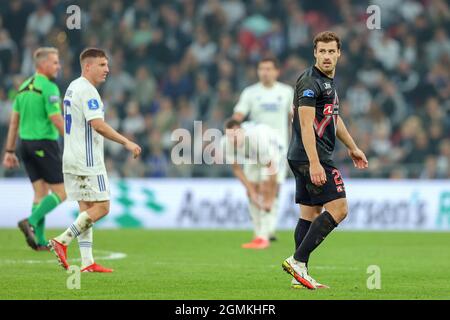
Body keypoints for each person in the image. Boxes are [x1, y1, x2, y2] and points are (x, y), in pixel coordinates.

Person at [282, 31, 369, 289]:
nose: (327, 56)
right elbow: (306, 125)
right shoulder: (310, 82)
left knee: (310, 214)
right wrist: (316, 163)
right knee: (340, 209)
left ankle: (300, 275)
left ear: (339, 53)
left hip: (301, 156)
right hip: (312, 157)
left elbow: (334, 117)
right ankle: (297, 261)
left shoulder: (327, 82)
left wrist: (353, 147)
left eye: (332, 51)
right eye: (323, 51)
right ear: (315, 53)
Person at [48, 48, 142, 272]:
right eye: (102, 65)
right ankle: (62, 240)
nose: (107, 69)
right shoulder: (88, 91)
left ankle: (87, 262)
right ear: (87, 66)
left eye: (107, 65)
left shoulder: (72, 87)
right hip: (87, 160)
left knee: (86, 208)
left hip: (71, 157)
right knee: (102, 207)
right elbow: (98, 125)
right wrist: (126, 142)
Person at [2, 47, 66, 251]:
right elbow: (56, 119)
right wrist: (74, 140)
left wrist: (9, 151)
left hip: (24, 145)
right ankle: (30, 221)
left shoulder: (23, 87)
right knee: (62, 192)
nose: (58, 66)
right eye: (55, 62)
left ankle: (39, 240)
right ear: (43, 64)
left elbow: (14, 123)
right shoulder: (49, 88)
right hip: (44, 144)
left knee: (40, 192)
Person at [232, 57, 294, 244]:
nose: (264, 72)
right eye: (261, 68)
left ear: (277, 71)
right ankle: (260, 230)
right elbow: (239, 114)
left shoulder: (286, 91)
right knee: (254, 186)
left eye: (268, 69)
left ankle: (268, 228)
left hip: (278, 146)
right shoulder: (250, 93)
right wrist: (234, 127)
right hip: (254, 147)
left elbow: (294, 116)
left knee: (273, 186)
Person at [221, 119, 283, 249]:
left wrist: (270, 198)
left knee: (266, 189)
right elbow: (236, 169)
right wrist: (252, 191)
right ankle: (258, 235)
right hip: (253, 158)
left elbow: (271, 166)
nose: (234, 140)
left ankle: (264, 237)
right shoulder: (225, 143)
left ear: (242, 132)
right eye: (230, 136)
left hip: (275, 150)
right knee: (251, 193)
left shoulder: (256, 139)